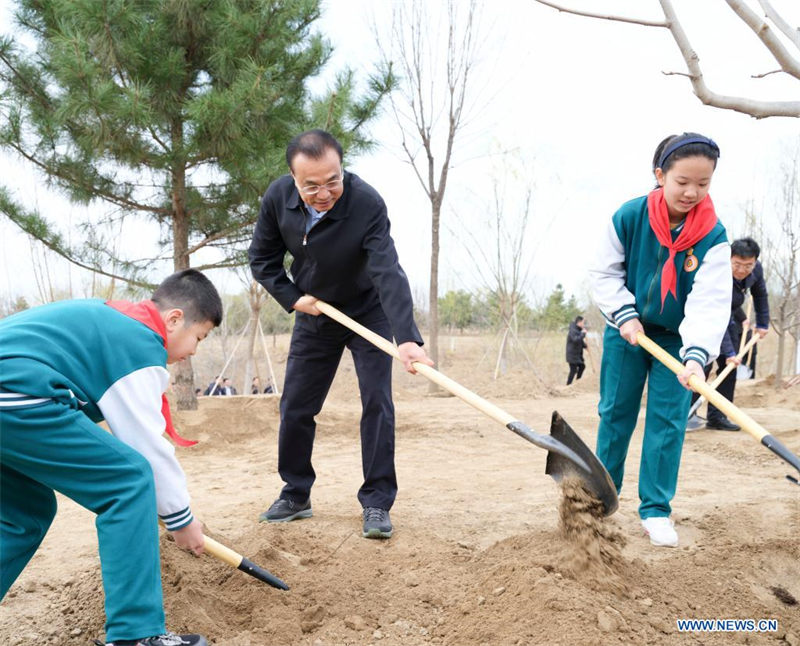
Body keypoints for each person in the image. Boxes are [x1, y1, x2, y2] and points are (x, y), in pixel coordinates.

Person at [0, 269, 222, 646]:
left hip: (12, 396)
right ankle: (136, 634)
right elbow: (144, 444)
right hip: (15, 395)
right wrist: (180, 518)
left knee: (25, 512)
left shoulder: (114, 320)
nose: (193, 352)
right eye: (198, 338)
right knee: (129, 481)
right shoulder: (138, 341)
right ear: (174, 319)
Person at [249, 129, 432, 539]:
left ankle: (377, 502)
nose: (324, 193)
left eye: (333, 181)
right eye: (311, 185)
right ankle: (296, 493)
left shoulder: (366, 203)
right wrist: (294, 299)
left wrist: (407, 338)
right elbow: (262, 259)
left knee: (377, 403)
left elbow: (387, 270)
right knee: (296, 406)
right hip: (315, 312)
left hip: (368, 311)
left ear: (342, 168)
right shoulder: (277, 198)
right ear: (293, 179)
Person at [589, 133, 731, 548]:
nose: (692, 192)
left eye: (702, 184)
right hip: (627, 331)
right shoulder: (630, 216)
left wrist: (696, 356)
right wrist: (625, 314)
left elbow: (709, 302)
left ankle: (655, 510)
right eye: (682, 181)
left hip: (677, 341)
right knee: (615, 413)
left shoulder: (713, 235)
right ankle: (599, 500)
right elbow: (604, 273)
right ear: (660, 175)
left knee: (668, 421)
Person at [686, 237, 770, 431]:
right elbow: (716, 318)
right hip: (706, 316)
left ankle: (717, 417)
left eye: (747, 266)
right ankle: (687, 413)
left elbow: (760, 295)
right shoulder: (717, 271)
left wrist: (763, 323)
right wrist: (729, 352)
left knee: (729, 368)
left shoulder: (756, 270)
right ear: (729, 258)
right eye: (737, 264)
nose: (742, 270)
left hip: (729, 316)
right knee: (702, 364)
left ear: (755, 262)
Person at [565, 315, 588, 385]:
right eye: (583, 323)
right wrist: (583, 334)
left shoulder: (578, 330)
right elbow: (575, 340)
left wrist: (585, 346)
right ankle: (568, 385)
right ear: (579, 322)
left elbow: (580, 341)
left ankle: (577, 383)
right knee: (573, 370)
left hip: (577, 355)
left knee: (582, 366)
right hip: (572, 354)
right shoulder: (573, 330)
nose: (584, 324)